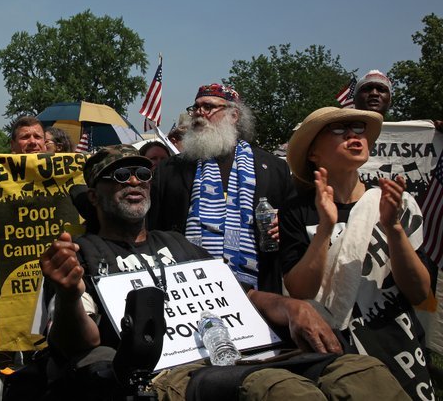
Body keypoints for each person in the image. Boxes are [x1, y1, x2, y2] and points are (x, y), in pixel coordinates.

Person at [40, 145, 406, 400]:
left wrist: (293, 307)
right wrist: (70, 294)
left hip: (243, 355)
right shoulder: (82, 255)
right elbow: (77, 344)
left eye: (141, 173)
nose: (134, 181)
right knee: (283, 392)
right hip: (170, 375)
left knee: (363, 374)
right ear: (94, 196)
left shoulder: (181, 244)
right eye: (119, 175)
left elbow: (244, 296)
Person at [281, 106, 433, 398]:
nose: (353, 135)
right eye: (338, 130)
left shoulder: (393, 202)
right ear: (313, 154)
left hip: (395, 344)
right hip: (333, 350)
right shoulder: (297, 211)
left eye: (358, 128)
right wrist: (325, 228)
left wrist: (394, 229)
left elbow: (419, 292)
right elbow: (299, 290)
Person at [150, 84, 293, 293]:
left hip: (259, 291)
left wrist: (285, 225)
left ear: (234, 115)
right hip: (187, 290)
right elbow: (154, 230)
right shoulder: (170, 169)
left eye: (208, 107)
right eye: (195, 108)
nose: (199, 114)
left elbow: (293, 223)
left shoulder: (272, 167)